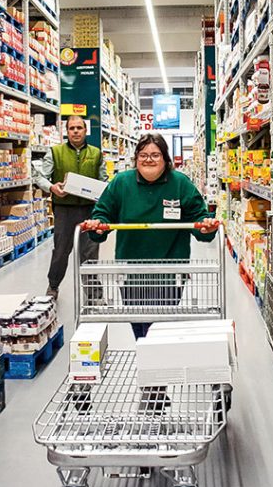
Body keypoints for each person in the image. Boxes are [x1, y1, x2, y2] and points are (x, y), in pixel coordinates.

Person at [83, 133, 219, 340]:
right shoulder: (121, 183)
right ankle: (145, 357)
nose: (149, 159)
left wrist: (206, 227)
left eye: (155, 155)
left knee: (161, 328)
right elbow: (103, 212)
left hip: (170, 271)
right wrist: (98, 225)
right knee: (139, 325)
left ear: (166, 159)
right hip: (131, 271)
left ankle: (156, 363)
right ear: (136, 158)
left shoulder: (180, 183)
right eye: (143, 154)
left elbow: (198, 217)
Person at [33, 115, 105, 298]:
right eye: (71, 128)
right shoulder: (55, 152)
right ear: (66, 132)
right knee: (61, 251)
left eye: (79, 128)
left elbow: (104, 180)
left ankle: (94, 294)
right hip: (64, 210)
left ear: (85, 130)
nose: (75, 131)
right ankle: (53, 286)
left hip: (90, 210)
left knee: (90, 254)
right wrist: (52, 188)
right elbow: (39, 176)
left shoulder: (96, 153)